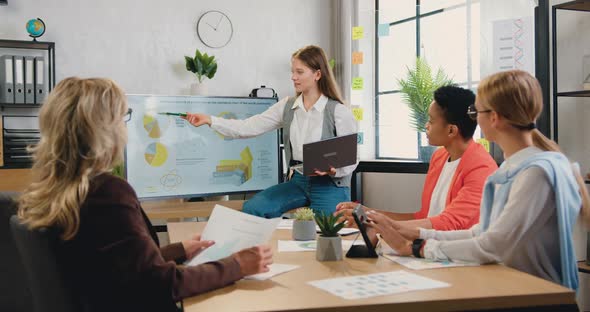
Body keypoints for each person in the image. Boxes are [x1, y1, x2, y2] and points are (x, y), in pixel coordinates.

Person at [17, 77, 273, 312]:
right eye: (123, 117)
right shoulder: (106, 193)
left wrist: (179, 250)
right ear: (103, 130)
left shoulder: (53, 191)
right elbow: (160, 284)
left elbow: (117, 267)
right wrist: (237, 265)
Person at [364, 70, 590, 290]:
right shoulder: (519, 168)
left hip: (535, 297)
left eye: (476, 112)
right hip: (517, 289)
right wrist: (414, 234)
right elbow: (481, 232)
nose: (474, 120)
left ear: (494, 118)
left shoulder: (535, 174)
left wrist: (417, 248)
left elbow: (491, 246)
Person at [184, 45, 358, 218]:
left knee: (327, 233)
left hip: (329, 185)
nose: (293, 77)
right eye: (292, 72)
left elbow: (352, 158)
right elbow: (247, 127)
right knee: (254, 209)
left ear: (317, 75)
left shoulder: (338, 111)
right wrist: (210, 120)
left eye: (299, 72)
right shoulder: (287, 106)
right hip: (298, 181)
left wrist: (333, 170)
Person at [337, 86, 497, 234]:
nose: (426, 126)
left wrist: (374, 222)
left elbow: (449, 224)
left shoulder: (481, 168)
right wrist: (366, 212)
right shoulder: (439, 157)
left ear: (451, 130)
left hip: (460, 256)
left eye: (431, 121)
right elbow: (422, 218)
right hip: (430, 251)